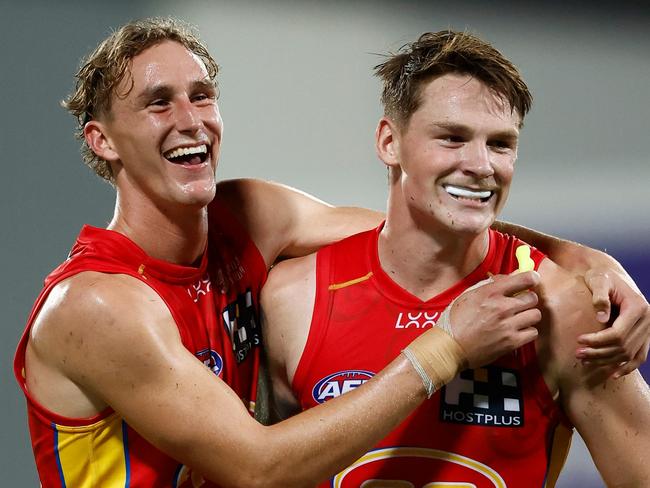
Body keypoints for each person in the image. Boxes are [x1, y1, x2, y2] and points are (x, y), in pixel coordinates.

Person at [13, 18, 647, 487]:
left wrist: (585, 256)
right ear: (103, 141)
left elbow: (432, 217)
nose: (191, 119)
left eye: (202, 95)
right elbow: (256, 469)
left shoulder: (247, 218)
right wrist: (445, 346)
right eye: (158, 103)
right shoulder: (96, 302)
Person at [261, 30, 650, 487]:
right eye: (452, 137)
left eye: (501, 144)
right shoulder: (292, 299)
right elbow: (265, 470)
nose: (482, 165)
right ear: (390, 142)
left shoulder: (564, 308)